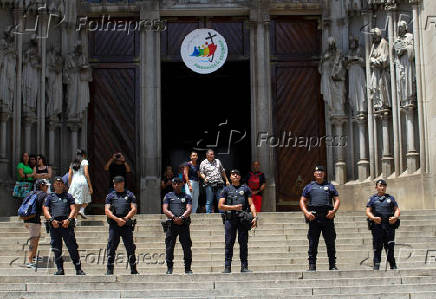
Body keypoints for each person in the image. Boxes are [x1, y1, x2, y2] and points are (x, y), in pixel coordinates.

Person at [299, 165, 340, 271]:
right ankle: (312, 266)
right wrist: (306, 212)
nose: (319, 173)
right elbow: (302, 200)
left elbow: (337, 199)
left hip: (327, 216)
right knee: (313, 242)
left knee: (330, 242)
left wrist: (334, 211)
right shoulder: (309, 187)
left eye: (321, 172)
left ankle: (332, 265)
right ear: (314, 174)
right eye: (317, 172)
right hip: (314, 217)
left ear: (324, 174)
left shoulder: (330, 186)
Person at [42, 177, 85, 275]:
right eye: (57, 183)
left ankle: (78, 269)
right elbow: (45, 209)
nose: (59, 185)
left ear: (63, 185)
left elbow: (73, 209)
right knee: (57, 248)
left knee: (72, 247)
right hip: (55, 225)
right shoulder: (50, 197)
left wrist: (69, 220)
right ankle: (60, 269)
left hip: (66, 225)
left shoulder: (68, 196)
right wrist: (51, 220)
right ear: (54, 185)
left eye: (61, 183)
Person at [219, 169, 257, 273]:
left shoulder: (245, 188)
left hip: (242, 220)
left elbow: (251, 204)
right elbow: (220, 205)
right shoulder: (226, 189)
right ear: (230, 177)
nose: (235, 175)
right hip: (230, 220)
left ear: (240, 177)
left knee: (243, 243)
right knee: (229, 243)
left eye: (237, 174)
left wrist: (255, 217)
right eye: (233, 174)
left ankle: (244, 267)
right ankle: (227, 267)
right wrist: (234, 207)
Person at [105, 176, 138, 275]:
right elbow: (107, 210)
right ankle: (109, 270)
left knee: (130, 248)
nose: (114, 185)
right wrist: (116, 219)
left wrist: (125, 219)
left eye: (116, 183)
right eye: (114, 183)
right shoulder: (110, 196)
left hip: (126, 225)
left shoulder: (130, 195)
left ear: (122, 183)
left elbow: (134, 209)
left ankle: (133, 269)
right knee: (111, 247)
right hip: (114, 225)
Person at [366, 179, 400, 270]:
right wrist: (373, 218)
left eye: (384, 186)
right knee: (377, 247)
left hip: (389, 227)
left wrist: (395, 217)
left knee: (390, 247)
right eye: (380, 185)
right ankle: (376, 266)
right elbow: (368, 211)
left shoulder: (390, 198)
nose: (383, 187)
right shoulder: (372, 199)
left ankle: (392, 265)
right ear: (376, 187)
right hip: (377, 227)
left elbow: (396, 209)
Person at [162, 177, 193, 274]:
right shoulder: (168, 196)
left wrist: (182, 218)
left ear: (182, 184)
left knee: (187, 247)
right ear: (172, 185)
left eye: (179, 183)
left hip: (183, 224)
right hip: (172, 225)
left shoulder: (187, 196)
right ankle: (169, 268)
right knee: (169, 247)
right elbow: (165, 209)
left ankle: (187, 268)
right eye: (175, 183)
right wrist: (174, 217)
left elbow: (189, 209)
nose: (177, 185)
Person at [23, 179, 50, 269]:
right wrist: (49, 219)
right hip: (34, 221)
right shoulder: (44, 195)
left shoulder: (30, 193)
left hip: (27, 219)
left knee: (37, 237)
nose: (47, 188)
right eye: (46, 186)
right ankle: (29, 261)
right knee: (33, 240)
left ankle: (34, 256)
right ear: (42, 186)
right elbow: (44, 208)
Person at [199, 149, 230, 213]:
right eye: (211, 154)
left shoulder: (217, 161)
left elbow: (222, 171)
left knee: (221, 200)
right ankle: (208, 215)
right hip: (209, 184)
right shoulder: (203, 163)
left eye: (213, 154)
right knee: (209, 201)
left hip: (219, 183)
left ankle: (222, 215)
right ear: (207, 155)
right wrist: (204, 178)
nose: (213, 155)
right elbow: (201, 173)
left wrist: (226, 180)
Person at [68, 149, 93, 219]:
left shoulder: (72, 163)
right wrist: (90, 186)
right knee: (86, 198)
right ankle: (81, 210)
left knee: (75, 201)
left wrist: (70, 185)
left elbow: (69, 175)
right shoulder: (84, 161)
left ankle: (75, 218)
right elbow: (86, 173)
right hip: (82, 181)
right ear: (84, 155)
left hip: (74, 181)